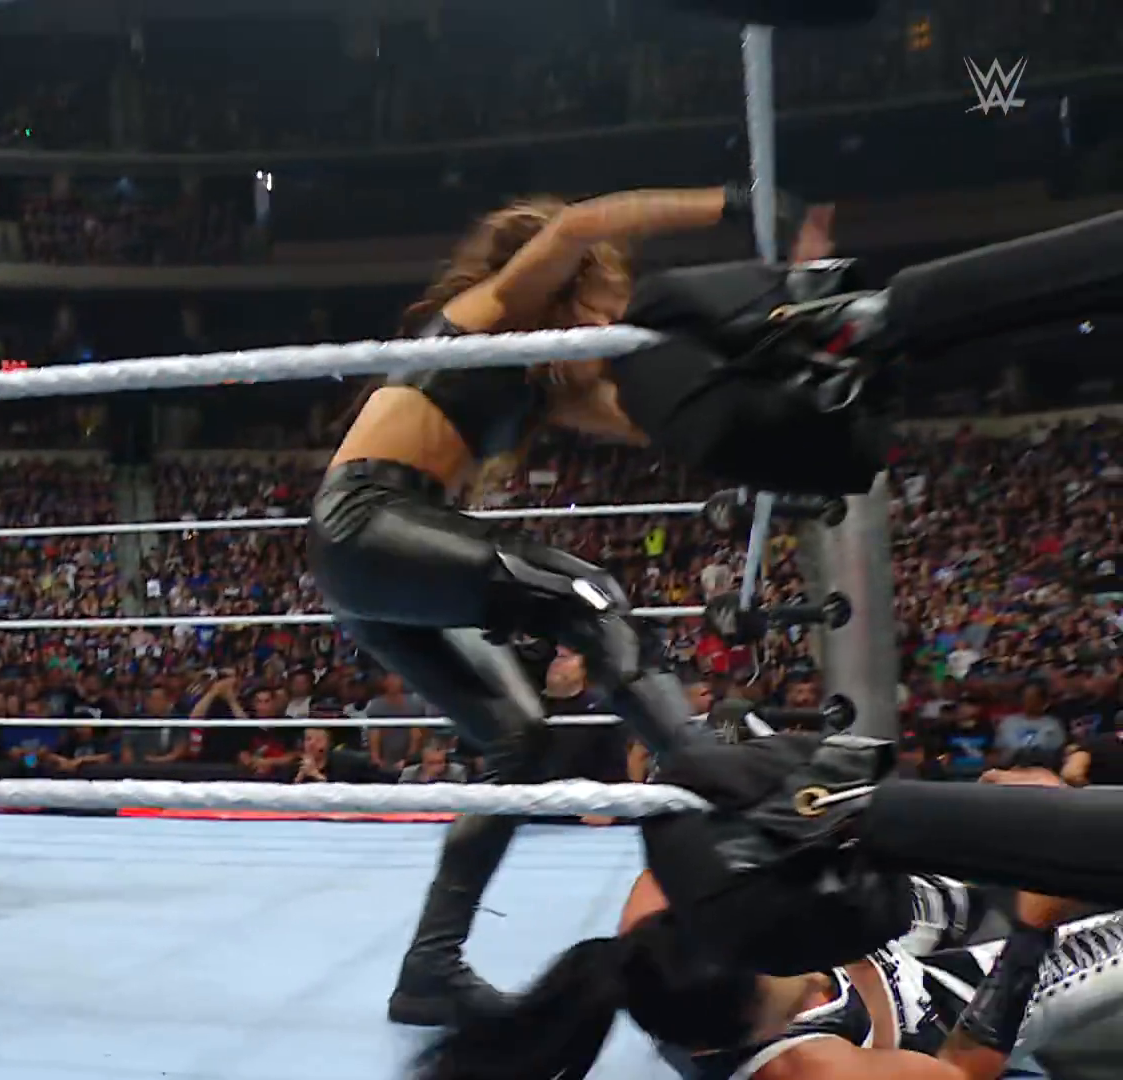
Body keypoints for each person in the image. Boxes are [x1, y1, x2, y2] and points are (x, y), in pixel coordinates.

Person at [313, 185, 834, 1025]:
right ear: (566, 290)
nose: (610, 321)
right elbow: (580, 224)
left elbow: (664, 423)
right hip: (369, 522)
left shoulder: (546, 388)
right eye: (602, 302)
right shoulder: (490, 312)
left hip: (382, 557)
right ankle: (712, 776)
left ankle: (429, 969)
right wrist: (739, 203)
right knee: (589, 594)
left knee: (517, 739)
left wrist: (777, 376)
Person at [415, 769, 1123, 1080]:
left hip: (877, 940)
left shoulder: (672, 917)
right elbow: (961, 1072)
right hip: (942, 1014)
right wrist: (1031, 929)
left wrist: (996, 815)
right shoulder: (803, 1069)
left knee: (1022, 837)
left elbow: (751, 816)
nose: (813, 978)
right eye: (795, 979)